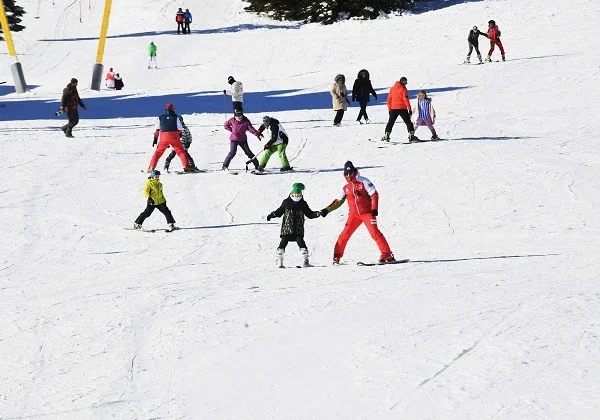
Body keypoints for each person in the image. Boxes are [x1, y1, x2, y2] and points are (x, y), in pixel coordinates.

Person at [320, 161, 395, 265]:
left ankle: (387, 254)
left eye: (350, 173)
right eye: (347, 174)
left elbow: (374, 194)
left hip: (367, 213)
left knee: (375, 233)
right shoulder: (345, 186)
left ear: (354, 172)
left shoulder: (363, 181)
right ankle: (336, 257)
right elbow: (339, 201)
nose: (349, 176)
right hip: (354, 215)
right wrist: (326, 210)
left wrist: (374, 209)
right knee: (345, 234)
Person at [267, 183, 321, 268]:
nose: (297, 195)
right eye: (295, 193)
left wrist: (317, 213)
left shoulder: (303, 204)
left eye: (299, 194)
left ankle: (305, 261)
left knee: (301, 242)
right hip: (287, 228)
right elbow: (280, 211)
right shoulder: (286, 202)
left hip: (298, 228)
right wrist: (272, 214)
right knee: (283, 242)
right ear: (291, 193)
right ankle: (279, 262)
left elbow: (309, 214)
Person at [148, 103, 192, 173]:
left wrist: (155, 138)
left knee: (158, 153)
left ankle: (151, 167)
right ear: (172, 109)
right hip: (174, 136)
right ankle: (186, 166)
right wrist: (179, 135)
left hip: (163, 137)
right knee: (181, 152)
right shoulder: (176, 117)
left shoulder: (160, 117)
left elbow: (157, 129)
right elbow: (180, 128)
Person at [381, 76, 418, 142]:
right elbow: (405, 99)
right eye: (406, 82)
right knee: (408, 122)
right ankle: (411, 135)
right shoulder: (403, 88)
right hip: (402, 108)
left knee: (390, 122)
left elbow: (389, 100)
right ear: (403, 81)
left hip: (393, 109)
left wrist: (389, 109)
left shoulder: (392, 89)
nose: (406, 84)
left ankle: (387, 135)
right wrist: (409, 109)